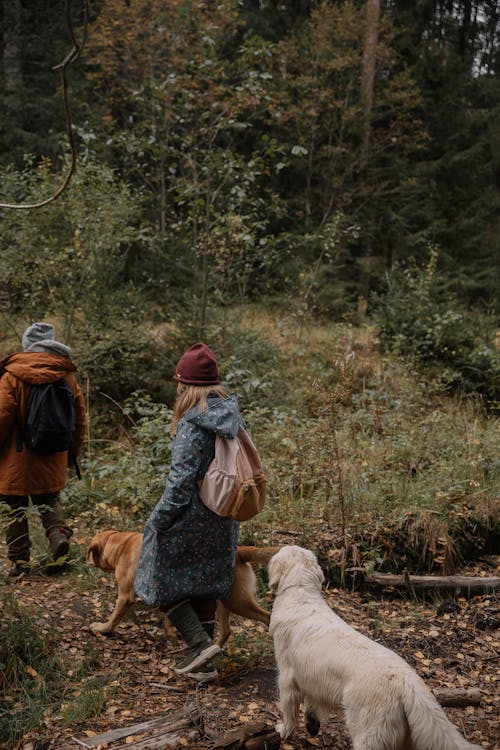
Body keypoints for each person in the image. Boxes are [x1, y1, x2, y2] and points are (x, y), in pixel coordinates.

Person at [134, 342, 242, 683]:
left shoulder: (193, 424)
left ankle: (199, 643)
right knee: (205, 583)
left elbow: (180, 480)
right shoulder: (229, 415)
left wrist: (160, 518)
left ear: (186, 386)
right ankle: (205, 664)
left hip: (191, 516)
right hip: (223, 514)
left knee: (156, 576)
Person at [0, 322, 86, 577]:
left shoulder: (11, 376)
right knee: (49, 500)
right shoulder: (67, 376)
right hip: (53, 455)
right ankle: (58, 537)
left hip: (16, 459)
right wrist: (72, 453)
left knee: (14, 508)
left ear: (27, 346)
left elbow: (2, 417)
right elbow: (80, 420)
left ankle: (20, 564)